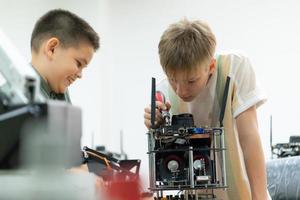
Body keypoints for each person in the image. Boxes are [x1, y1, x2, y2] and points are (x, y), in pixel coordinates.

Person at [144, 19, 269, 199]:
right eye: (173, 79)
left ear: (210, 66)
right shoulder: (162, 92)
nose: (181, 90)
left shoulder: (234, 67)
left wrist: (260, 197)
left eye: (191, 81)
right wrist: (156, 125)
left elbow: (249, 137)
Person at [30, 9, 99, 101]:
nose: (80, 75)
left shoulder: (59, 94)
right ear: (52, 49)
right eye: (78, 63)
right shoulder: (18, 99)